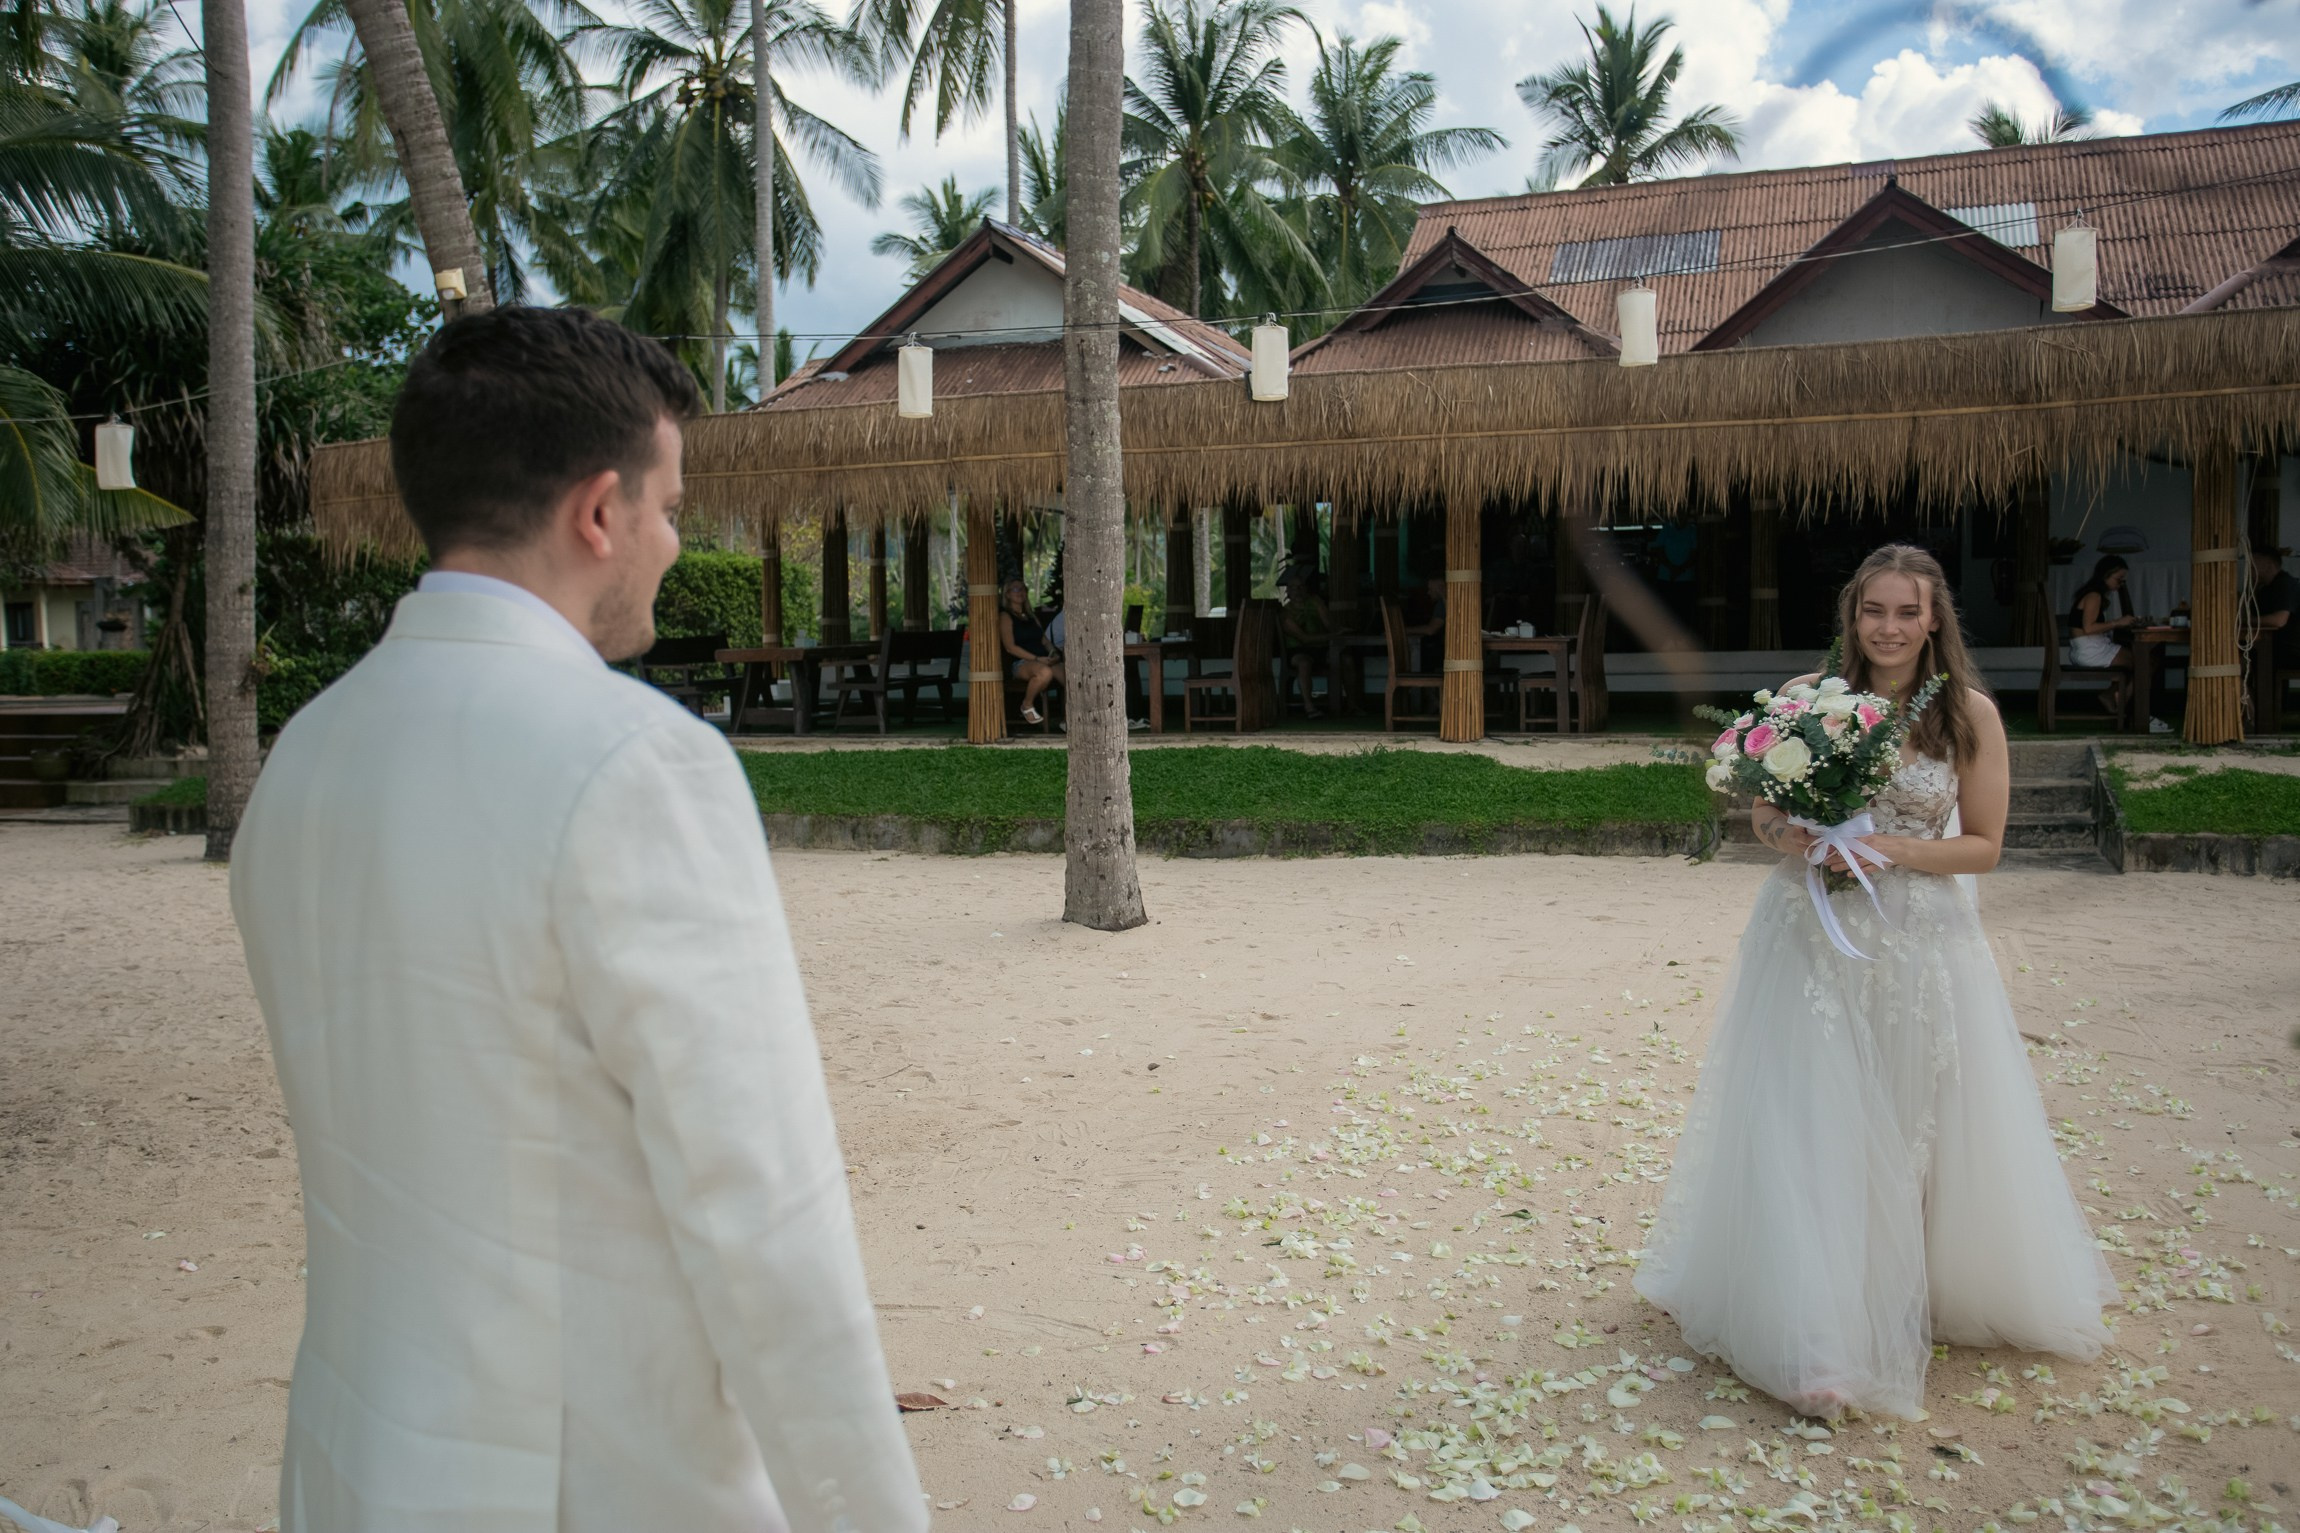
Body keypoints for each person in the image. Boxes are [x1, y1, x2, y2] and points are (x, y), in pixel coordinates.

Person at [229, 307, 926, 1532]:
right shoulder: (634, 760)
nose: (668, 542)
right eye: (666, 509)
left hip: (354, 1463)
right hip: (588, 1481)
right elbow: (766, 1217)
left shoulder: (307, 754)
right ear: (597, 513)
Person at [1634, 543, 2115, 1421]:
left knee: (1912, 1112)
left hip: (1920, 937)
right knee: (1809, 1113)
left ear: (1934, 619)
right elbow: (1765, 806)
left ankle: (1911, 1281)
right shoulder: (1803, 702)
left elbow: (1985, 848)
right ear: (1852, 616)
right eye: (1873, 611)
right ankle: (1814, 1330)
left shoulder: (1967, 715)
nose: (1888, 628)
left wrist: (1888, 849)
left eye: (1906, 612)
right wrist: (1790, 835)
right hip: (1809, 931)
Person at [2067, 553, 2139, 718]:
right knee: (2144, 663)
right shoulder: (2094, 595)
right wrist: (2117, 622)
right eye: (2118, 579)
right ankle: (2123, 705)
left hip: (2088, 648)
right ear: (2106, 574)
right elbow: (2089, 628)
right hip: (2090, 650)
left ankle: (2113, 696)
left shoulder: (2094, 594)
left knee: (2140, 662)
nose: (2120, 584)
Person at [1279, 566, 1347, 718]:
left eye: (1301, 587)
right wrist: (1333, 636)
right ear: (1287, 592)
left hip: (1322, 648)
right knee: (1304, 663)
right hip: (1298, 650)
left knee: (1346, 659)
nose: (1298, 591)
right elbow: (1304, 638)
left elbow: (1329, 625)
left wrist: (1337, 631)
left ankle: (1352, 706)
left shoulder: (1315, 602)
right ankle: (1309, 707)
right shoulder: (1285, 614)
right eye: (1293, 588)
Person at [999, 576, 1062, 724]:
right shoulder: (1005, 616)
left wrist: (1054, 652)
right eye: (1016, 589)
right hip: (1022, 663)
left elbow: (1044, 640)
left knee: (1070, 676)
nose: (1020, 592)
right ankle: (1026, 705)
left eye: (1023, 589)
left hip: (1044, 659)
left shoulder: (1031, 616)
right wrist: (1036, 659)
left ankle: (1070, 718)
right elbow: (1010, 647)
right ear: (1007, 594)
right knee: (1044, 672)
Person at [2252, 546, 2297, 670]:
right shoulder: (2266, 589)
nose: (2249, 566)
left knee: (2243, 657)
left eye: (2254, 561)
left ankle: (2250, 689)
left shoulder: (2285, 583)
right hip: (2278, 646)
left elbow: (2279, 620)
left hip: (2292, 648)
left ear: (2269, 564)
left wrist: (2248, 620)